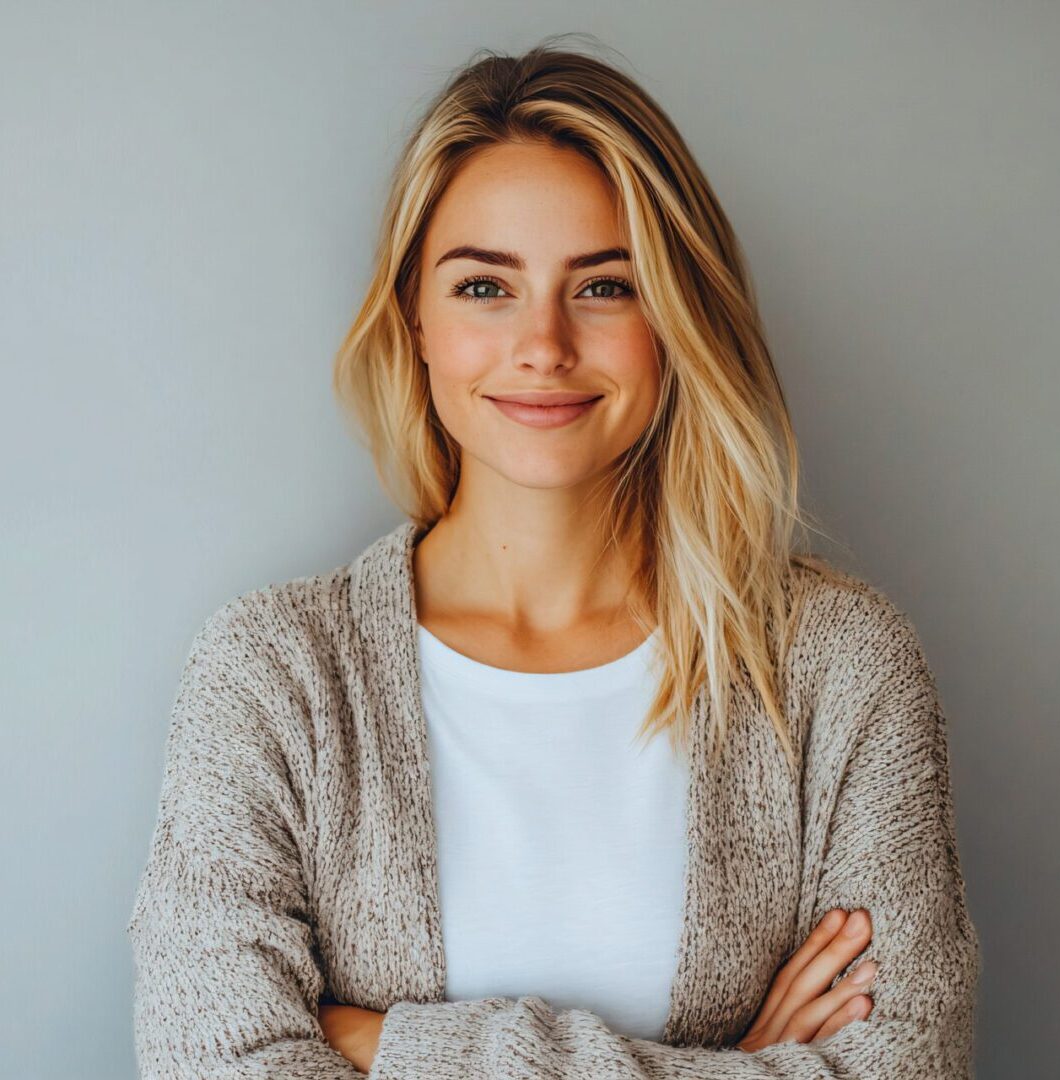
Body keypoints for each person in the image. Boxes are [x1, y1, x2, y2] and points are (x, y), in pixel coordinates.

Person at [126, 34, 981, 1078]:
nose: (544, 345)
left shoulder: (840, 671)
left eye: (605, 286)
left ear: (678, 316)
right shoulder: (272, 675)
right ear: (417, 322)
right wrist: (740, 1066)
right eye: (485, 287)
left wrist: (389, 1046)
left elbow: (910, 1067)